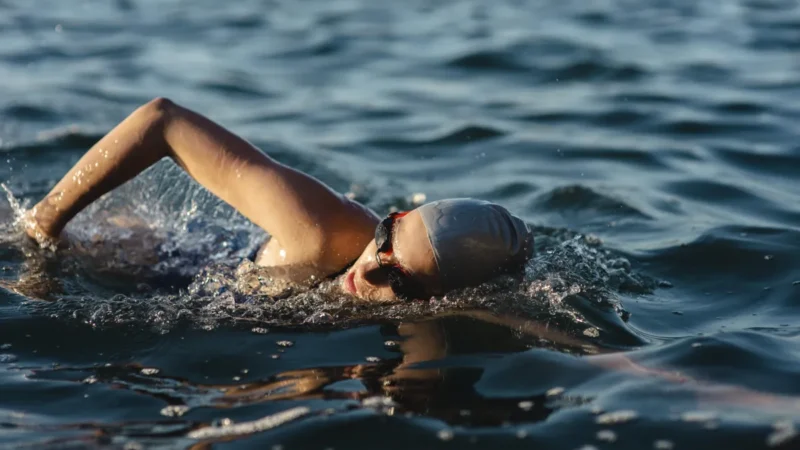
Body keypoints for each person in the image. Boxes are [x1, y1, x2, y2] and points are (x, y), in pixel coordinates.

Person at [21, 98, 533, 302]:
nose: (370, 273)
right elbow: (162, 121)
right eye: (385, 239)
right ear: (391, 217)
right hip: (158, 261)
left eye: (398, 279)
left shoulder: (445, 305)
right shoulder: (324, 231)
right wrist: (43, 229)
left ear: (437, 299)